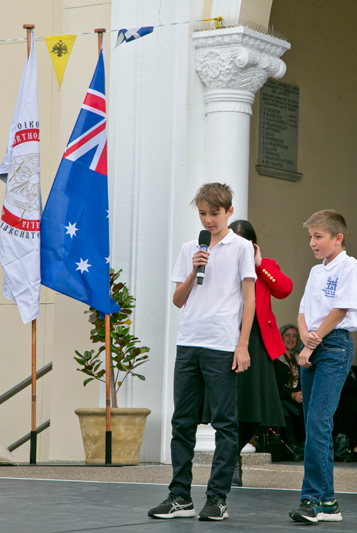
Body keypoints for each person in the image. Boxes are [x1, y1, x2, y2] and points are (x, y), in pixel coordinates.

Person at [148, 183, 256, 521]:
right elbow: (178, 300)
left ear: (229, 213)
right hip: (189, 341)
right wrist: (194, 268)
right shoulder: (189, 248)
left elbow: (249, 298)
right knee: (182, 421)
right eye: (203, 213)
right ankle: (179, 495)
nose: (208, 220)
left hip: (223, 344)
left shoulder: (241, 248)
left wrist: (242, 344)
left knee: (225, 423)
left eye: (214, 213)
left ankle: (217, 497)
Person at [202, 220, 292, 486]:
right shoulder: (218, 261)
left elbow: (284, 289)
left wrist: (259, 263)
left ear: (252, 245)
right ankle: (230, 463)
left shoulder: (266, 265)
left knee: (257, 409)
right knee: (228, 405)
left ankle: (232, 454)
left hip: (256, 340)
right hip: (224, 336)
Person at [288, 209, 357, 524]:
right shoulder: (316, 271)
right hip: (314, 346)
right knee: (313, 424)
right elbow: (303, 310)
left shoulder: (349, 265)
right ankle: (329, 502)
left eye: (318, 236)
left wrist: (311, 342)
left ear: (338, 238)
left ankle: (312, 500)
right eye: (310, 237)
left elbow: (341, 308)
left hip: (334, 346)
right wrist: (304, 335)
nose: (312, 243)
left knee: (319, 421)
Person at [276, 324, 305, 453]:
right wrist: (291, 394)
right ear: (281, 337)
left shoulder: (300, 358)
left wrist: (301, 393)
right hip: (280, 397)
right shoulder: (275, 358)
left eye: (294, 336)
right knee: (284, 408)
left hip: (298, 397)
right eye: (288, 335)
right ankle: (291, 443)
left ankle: (305, 442)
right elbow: (275, 383)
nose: (291, 339)